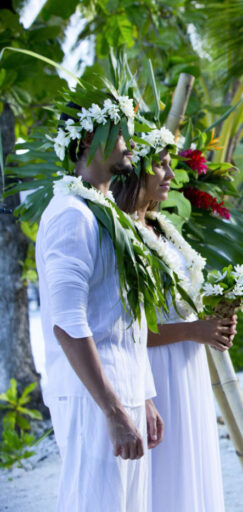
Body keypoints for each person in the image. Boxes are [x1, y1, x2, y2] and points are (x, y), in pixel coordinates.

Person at [36, 95, 163, 512]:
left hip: (123, 389)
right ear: (92, 139)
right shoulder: (71, 215)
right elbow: (67, 322)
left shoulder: (105, 213)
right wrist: (111, 411)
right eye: (122, 132)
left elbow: (125, 315)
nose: (130, 143)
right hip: (92, 398)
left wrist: (142, 395)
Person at [112, 146, 235, 512]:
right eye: (160, 166)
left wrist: (217, 319)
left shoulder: (163, 226)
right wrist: (193, 330)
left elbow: (183, 303)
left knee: (194, 461)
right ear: (136, 171)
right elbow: (123, 326)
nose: (170, 175)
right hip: (156, 371)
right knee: (168, 470)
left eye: (170, 166)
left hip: (188, 365)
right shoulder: (122, 233)